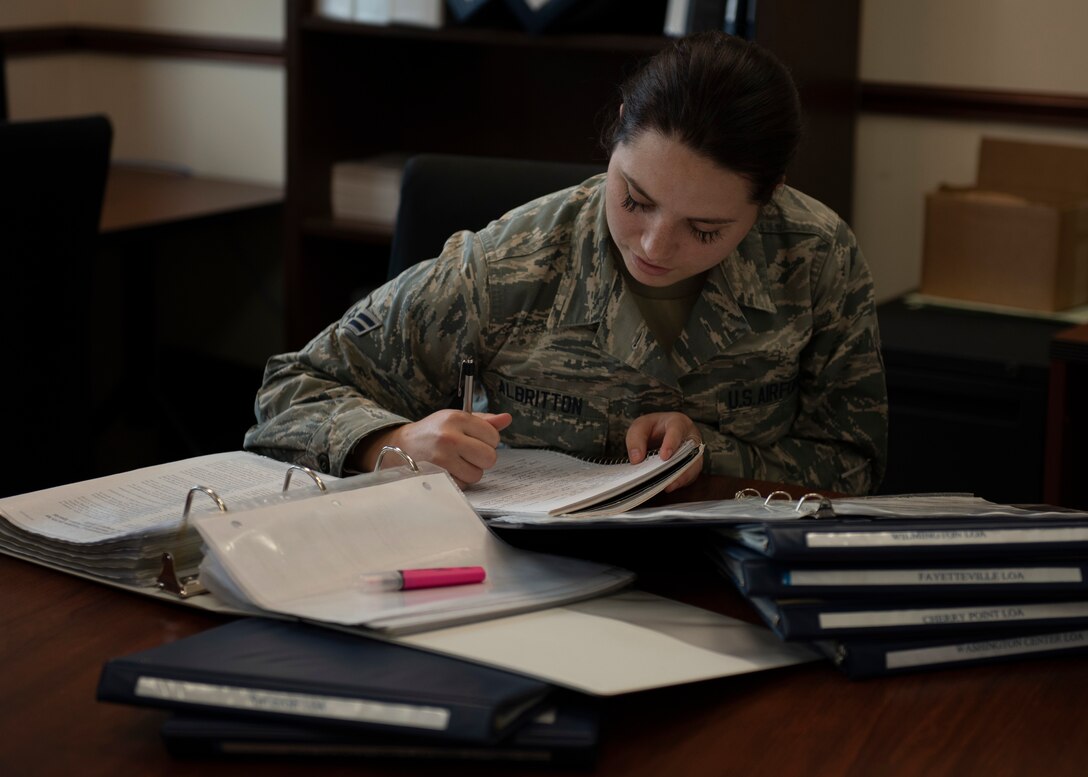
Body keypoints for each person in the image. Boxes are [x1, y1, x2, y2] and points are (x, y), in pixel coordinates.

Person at [245, 31, 888, 496]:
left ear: (768, 196)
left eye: (705, 229)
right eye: (634, 199)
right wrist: (390, 446)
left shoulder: (816, 259)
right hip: (527, 584)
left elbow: (855, 464)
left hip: (731, 590)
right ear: (614, 136)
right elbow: (290, 392)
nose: (654, 248)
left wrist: (713, 455)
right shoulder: (507, 264)